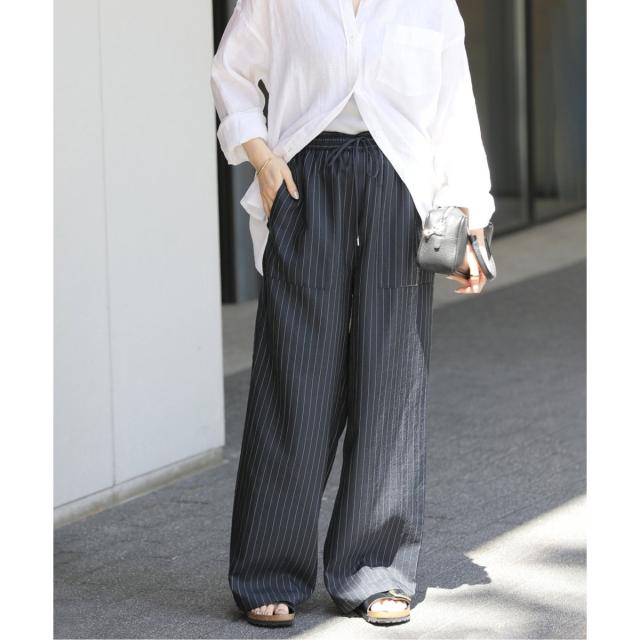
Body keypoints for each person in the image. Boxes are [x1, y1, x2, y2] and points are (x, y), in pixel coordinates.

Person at [210, 0, 495, 628]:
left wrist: (469, 219)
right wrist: (263, 158)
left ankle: (377, 569)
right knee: (294, 375)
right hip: (303, 180)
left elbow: (454, 110)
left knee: (391, 378)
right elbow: (231, 73)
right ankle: (268, 570)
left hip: (401, 190)